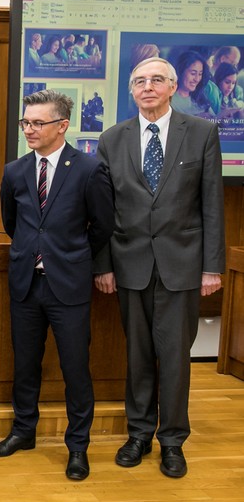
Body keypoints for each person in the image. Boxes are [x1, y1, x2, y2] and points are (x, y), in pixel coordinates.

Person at [94, 57, 225, 479]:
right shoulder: (112, 138)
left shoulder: (201, 132)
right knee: (137, 356)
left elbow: (212, 204)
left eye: (156, 80)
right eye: (139, 81)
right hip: (129, 264)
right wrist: (103, 265)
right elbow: (104, 210)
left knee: (174, 358)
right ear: (131, 91)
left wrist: (212, 267)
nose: (147, 87)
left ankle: (172, 441)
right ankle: (138, 434)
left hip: (182, 265)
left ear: (173, 87)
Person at [0, 89, 114, 481]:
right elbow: (12, 222)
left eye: (38, 123)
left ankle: (78, 446)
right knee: (25, 364)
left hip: (69, 286)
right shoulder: (15, 170)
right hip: (26, 284)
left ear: (62, 126)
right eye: (25, 122)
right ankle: (23, 431)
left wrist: (72, 254)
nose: (29, 129)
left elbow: (103, 226)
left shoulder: (88, 169)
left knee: (75, 368)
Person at [171, 50, 220, 116]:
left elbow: (214, 119)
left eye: (200, 74)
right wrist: (197, 118)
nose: (197, 79)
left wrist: (222, 118)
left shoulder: (200, 97)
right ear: (181, 71)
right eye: (193, 73)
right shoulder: (169, 100)